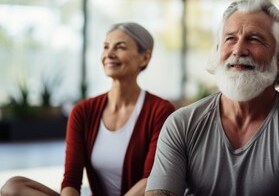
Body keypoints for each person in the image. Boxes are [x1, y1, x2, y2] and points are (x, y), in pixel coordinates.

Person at [145, 0, 279, 196]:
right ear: (219, 50)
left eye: (253, 39)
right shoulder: (181, 124)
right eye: (230, 39)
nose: (238, 50)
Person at [1, 22, 176, 196]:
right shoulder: (83, 111)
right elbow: (71, 180)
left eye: (120, 47)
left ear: (144, 57)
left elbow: (151, 181)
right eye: (106, 47)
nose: (109, 54)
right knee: (13, 187)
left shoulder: (160, 111)